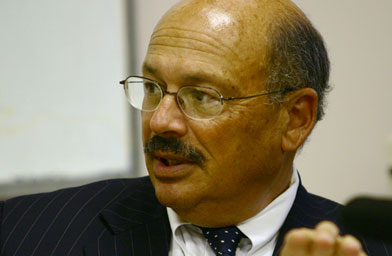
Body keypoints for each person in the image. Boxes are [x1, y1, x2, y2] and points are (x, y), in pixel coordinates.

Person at [0, 0, 390, 255]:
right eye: (153, 88)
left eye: (202, 96)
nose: (160, 121)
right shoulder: (27, 233)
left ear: (295, 119)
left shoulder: (369, 246)